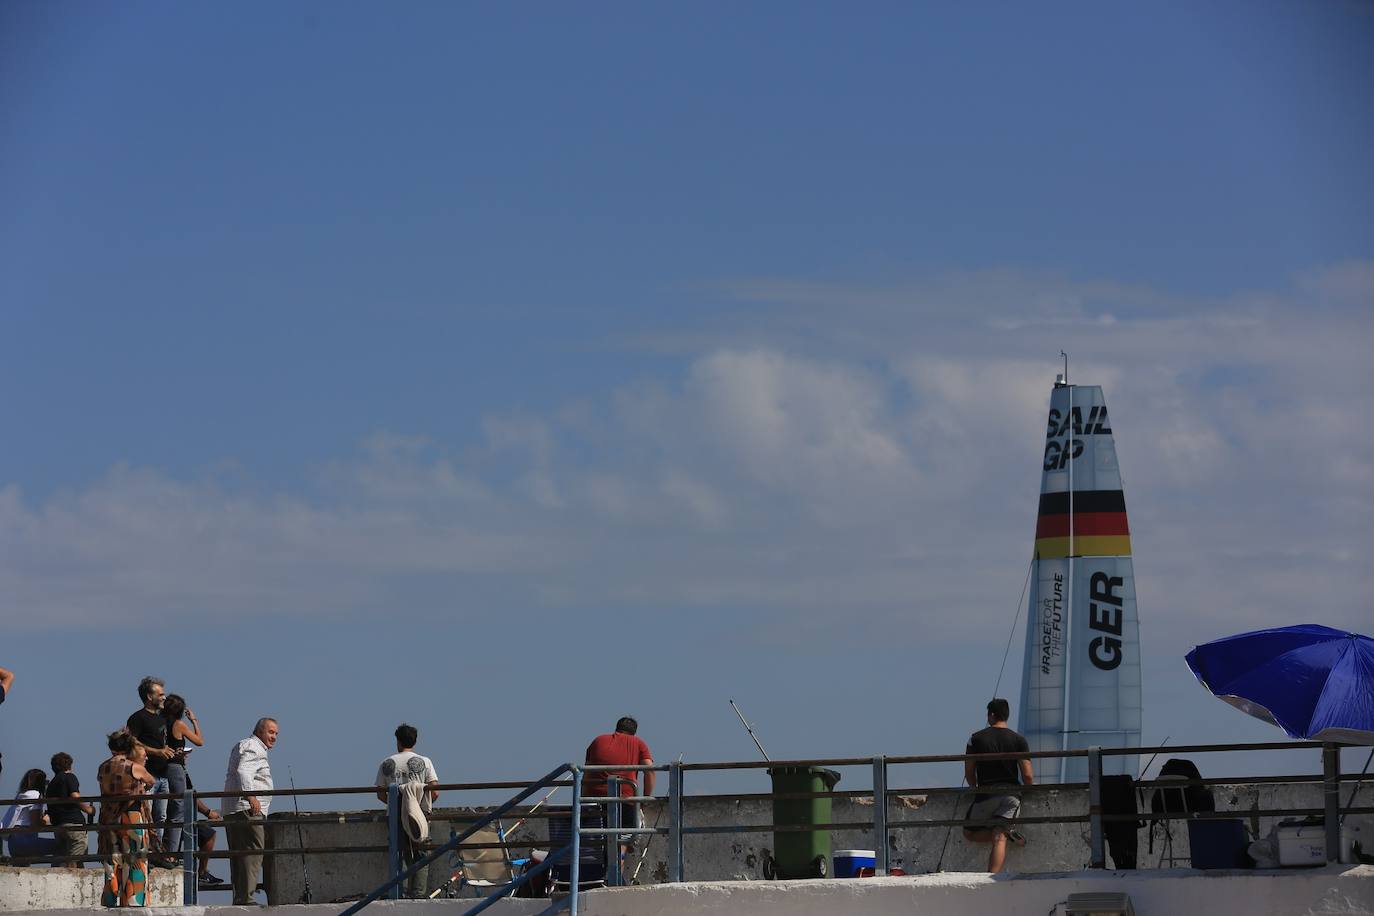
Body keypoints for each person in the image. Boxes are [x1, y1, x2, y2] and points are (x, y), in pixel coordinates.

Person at [962, 698, 1033, 872]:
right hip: (1011, 795)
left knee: (968, 832)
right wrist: (1029, 788)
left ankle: (1001, 833)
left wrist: (975, 787)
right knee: (999, 836)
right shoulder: (1019, 740)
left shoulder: (975, 739)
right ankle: (993, 877)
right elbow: (1027, 775)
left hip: (986, 794)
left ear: (991, 715)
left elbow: (969, 772)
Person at [374, 723, 440, 898]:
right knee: (421, 853)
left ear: (398, 741)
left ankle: (398, 893)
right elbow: (435, 792)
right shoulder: (425, 762)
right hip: (420, 815)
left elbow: (380, 794)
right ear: (415, 741)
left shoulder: (387, 763)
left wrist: (398, 804)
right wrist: (417, 805)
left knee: (398, 852)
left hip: (396, 815)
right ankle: (418, 894)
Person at [223, 717, 278, 906]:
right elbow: (244, 771)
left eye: (276, 733)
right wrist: (251, 796)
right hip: (248, 809)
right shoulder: (254, 747)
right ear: (260, 731)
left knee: (239, 855)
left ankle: (240, 897)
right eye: (271, 732)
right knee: (253, 852)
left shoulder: (244, 744)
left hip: (234, 809)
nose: (274, 737)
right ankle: (246, 898)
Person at [97, 729, 155, 907]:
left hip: (109, 817)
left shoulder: (103, 767)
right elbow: (151, 781)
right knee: (136, 859)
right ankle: (133, 900)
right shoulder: (133, 767)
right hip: (131, 817)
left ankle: (110, 898)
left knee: (112, 861)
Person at [584, 716, 654, 861]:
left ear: (617, 728)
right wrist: (645, 799)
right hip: (625, 802)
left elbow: (586, 774)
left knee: (596, 845)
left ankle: (598, 877)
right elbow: (650, 770)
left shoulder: (598, 740)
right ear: (634, 732)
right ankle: (614, 879)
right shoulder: (638, 743)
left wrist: (584, 800)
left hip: (595, 803)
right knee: (621, 844)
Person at [125, 676, 174, 862]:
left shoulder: (162, 718)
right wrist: (157, 751)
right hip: (147, 775)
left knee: (160, 817)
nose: (164, 697)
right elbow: (131, 741)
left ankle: (156, 853)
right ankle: (145, 853)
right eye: (160, 694)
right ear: (149, 696)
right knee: (146, 816)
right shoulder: (137, 718)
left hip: (164, 774)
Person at [160, 694, 204, 858]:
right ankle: (172, 852)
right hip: (175, 768)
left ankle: (162, 849)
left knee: (162, 810)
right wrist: (194, 721)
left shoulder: (159, 723)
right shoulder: (179, 724)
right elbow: (199, 741)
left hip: (159, 767)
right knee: (178, 810)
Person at [46, 752, 94, 868]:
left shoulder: (51, 784)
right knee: (74, 862)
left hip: (58, 826)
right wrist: (89, 810)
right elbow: (75, 797)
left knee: (64, 860)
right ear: (69, 765)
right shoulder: (69, 777)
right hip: (73, 824)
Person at [3, 768, 57, 863]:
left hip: (13, 843)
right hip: (25, 840)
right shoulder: (35, 795)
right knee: (60, 846)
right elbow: (36, 823)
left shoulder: (21, 795)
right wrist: (47, 818)